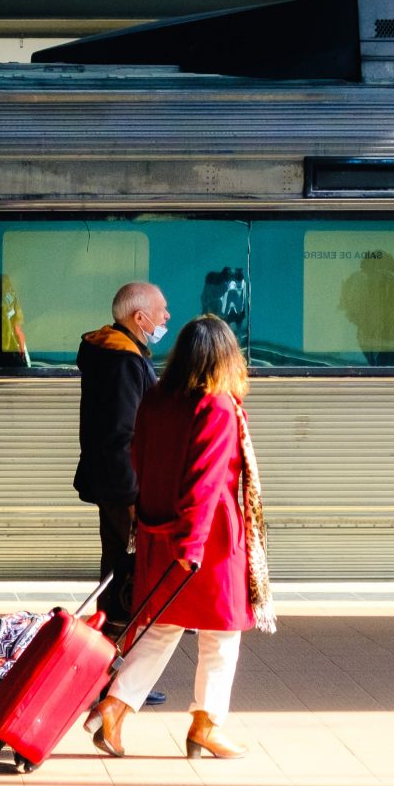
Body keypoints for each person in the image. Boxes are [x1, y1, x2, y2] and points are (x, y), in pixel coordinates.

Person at [87, 316, 273, 761]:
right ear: (227, 357)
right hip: (207, 543)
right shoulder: (217, 407)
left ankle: (112, 708)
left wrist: (153, 528)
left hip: (158, 532)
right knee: (221, 635)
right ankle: (206, 725)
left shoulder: (156, 400)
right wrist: (190, 547)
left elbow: (141, 461)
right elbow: (205, 482)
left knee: (161, 626)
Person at [75, 281, 168, 637]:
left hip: (115, 483)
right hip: (123, 487)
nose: (166, 316)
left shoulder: (117, 354)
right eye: (162, 310)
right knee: (127, 572)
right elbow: (121, 434)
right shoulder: (123, 362)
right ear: (140, 317)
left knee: (118, 566)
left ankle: (110, 666)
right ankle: (120, 669)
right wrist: (131, 497)